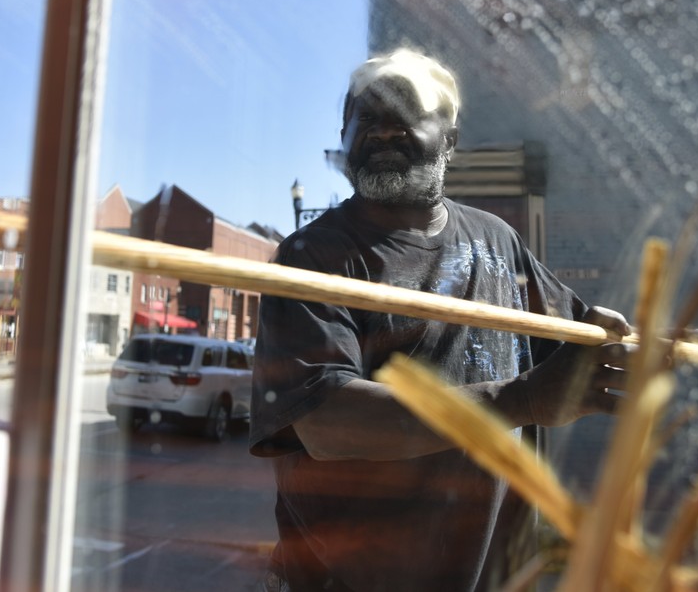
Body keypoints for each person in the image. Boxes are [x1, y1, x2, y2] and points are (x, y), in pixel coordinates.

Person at [249, 48, 636, 592]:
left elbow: (592, 345)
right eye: (365, 118)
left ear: (450, 140)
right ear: (344, 137)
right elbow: (325, 423)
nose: (383, 131)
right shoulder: (312, 256)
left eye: (406, 113)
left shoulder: (498, 240)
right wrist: (523, 400)